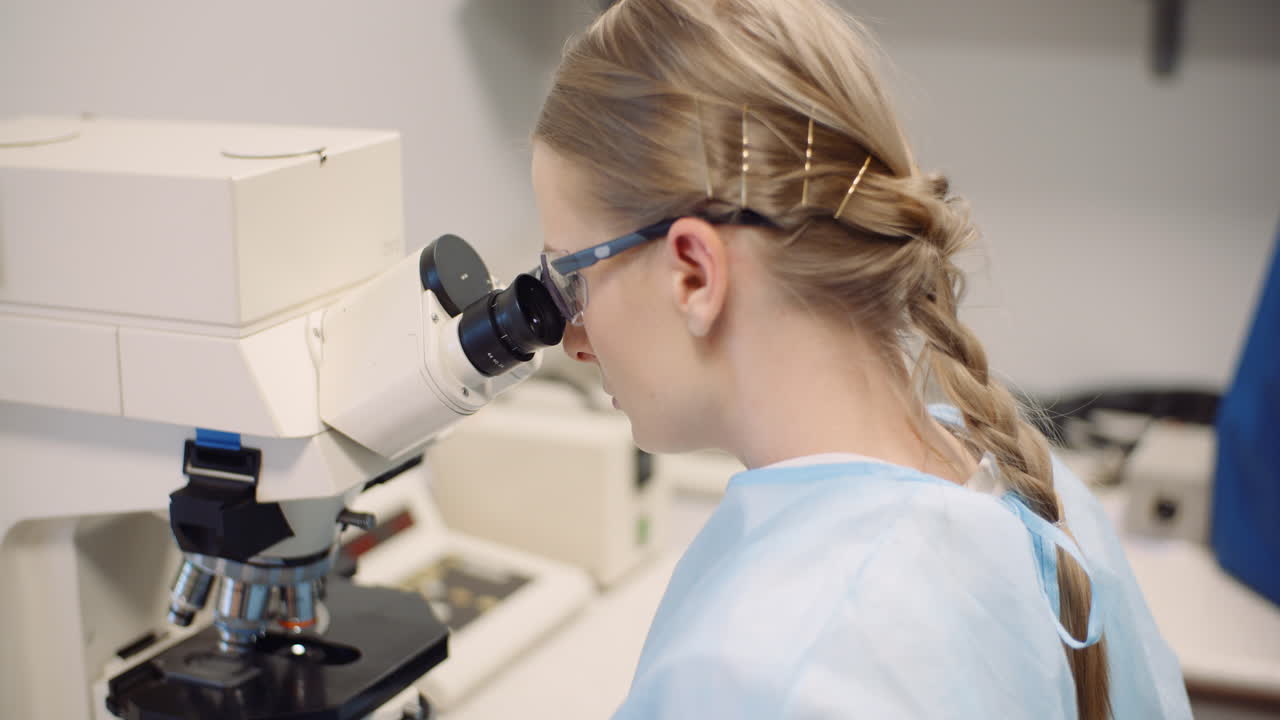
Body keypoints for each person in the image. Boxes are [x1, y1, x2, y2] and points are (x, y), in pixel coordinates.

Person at [529, 0, 1192, 717]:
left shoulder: (762, 674)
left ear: (694, 272)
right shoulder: (1035, 489)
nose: (573, 337)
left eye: (573, 278)